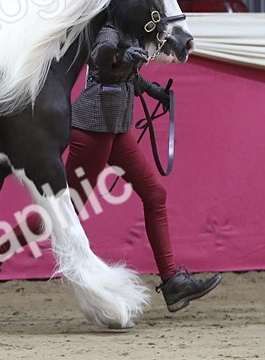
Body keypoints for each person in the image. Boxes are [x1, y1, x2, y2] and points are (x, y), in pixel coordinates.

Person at [22, 22, 222, 312]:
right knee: (65, 211)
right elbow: (100, 54)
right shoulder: (112, 26)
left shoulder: (133, 30)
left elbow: (129, 76)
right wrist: (117, 58)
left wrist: (154, 91)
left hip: (116, 130)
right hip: (93, 130)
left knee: (155, 195)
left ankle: (173, 282)